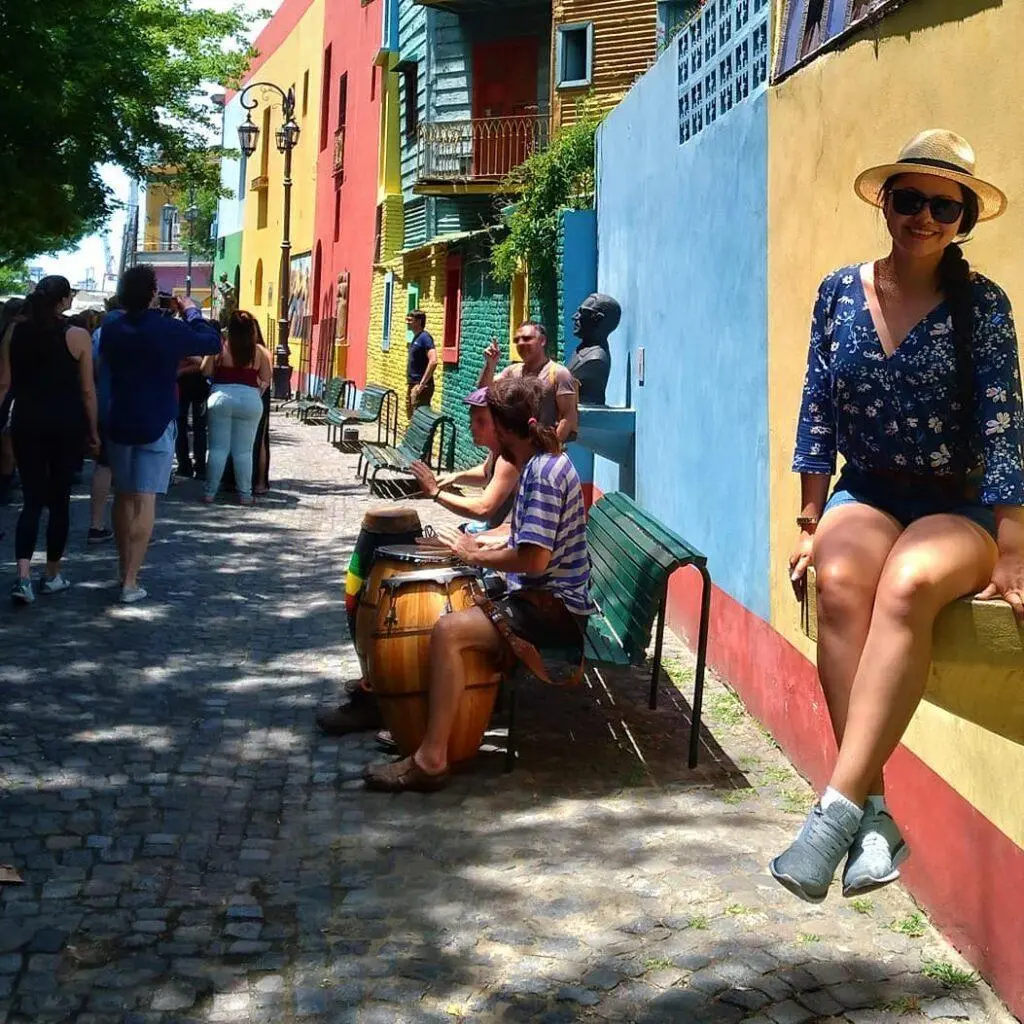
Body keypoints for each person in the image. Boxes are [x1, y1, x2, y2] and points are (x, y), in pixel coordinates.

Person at [776, 130, 1024, 903]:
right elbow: (817, 406)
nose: (922, 216)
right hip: (870, 489)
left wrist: (1013, 549)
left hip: (962, 501)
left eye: (941, 205)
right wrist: (812, 520)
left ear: (962, 221)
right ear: (885, 202)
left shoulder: (980, 305)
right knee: (844, 579)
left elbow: (1004, 424)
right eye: (908, 198)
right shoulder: (838, 292)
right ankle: (876, 817)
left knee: (910, 583)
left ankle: (835, 812)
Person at [363, 375, 597, 792]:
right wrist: (479, 541)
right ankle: (414, 717)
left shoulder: (541, 472)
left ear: (509, 430)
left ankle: (431, 757)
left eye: (493, 427)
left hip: (554, 611)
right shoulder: (540, 459)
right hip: (541, 597)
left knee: (449, 630)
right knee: (452, 601)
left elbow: (535, 558)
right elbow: (521, 532)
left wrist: (474, 555)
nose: (490, 439)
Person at [101, 265, 221, 603]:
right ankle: (130, 581)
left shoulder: (112, 330)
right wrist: (192, 312)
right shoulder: (167, 329)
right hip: (156, 418)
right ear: (153, 292)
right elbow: (211, 341)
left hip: (120, 418)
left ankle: (121, 568)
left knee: (123, 496)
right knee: (146, 498)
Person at [0, 277, 98, 603]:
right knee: (59, 501)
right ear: (62, 300)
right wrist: (94, 430)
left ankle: (23, 577)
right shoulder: (78, 335)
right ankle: (52, 574)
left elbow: (4, 383)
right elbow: (87, 391)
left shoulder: (16, 331)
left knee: (31, 500)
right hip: (65, 425)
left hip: (26, 422)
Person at [409, 386, 519, 530]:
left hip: (500, 537)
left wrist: (436, 493)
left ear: (500, 424)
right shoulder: (497, 451)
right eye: (472, 419)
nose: (472, 426)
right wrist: (454, 477)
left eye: (481, 421)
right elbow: (486, 474)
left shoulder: (508, 460)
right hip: (489, 529)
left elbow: (483, 509)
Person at [201, 310, 272, 504]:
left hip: (221, 397)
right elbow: (266, 379)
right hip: (250, 400)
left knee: (217, 449)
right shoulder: (258, 352)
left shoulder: (220, 346)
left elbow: (205, 370)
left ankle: (210, 492)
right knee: (244, 451)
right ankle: (245, 495)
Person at [478, 321, 579, 443]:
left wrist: (551, 452)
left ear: (542, 341)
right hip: (515, 451)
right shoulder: (512, 371)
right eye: (517, 340)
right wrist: (490, 364)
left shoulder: (559, 374)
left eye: (527, 339)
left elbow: (568, 417)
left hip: (542, 449)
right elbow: (484, 391)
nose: (520, 343)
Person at [87, 296, 122, 545]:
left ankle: (96, 523)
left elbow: (94, 368)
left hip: (105, 399)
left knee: (104, 464)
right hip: (130, 403)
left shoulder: (100, 333)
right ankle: (129, 525)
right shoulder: (138, 330)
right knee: (131, 466)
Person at [0, 297, 25, 506]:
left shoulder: (9, 331)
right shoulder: (13, 333)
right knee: (8, 446)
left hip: (9, 392)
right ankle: (4, 488)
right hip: (10, 394)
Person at [175, 352, 210, 481]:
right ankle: (195, 466)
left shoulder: (180, 335)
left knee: (185, 424)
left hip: (191, 384)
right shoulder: (203, 334)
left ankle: (188, 466)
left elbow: (202, 363)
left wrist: (182, 369)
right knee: (194, 426)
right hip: (194, 384)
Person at [406, 310, 437, 419]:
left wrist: (421, 385)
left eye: (410, 320)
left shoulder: (425, 338)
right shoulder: (416, 337)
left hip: (420, 386)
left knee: (419, 420)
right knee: (412, 417)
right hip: (413, 384)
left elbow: (433, 361)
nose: (407, 322)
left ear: (419, 321)